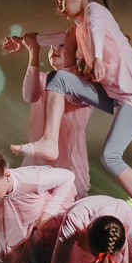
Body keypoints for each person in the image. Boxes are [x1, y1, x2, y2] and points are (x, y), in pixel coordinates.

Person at [10, 0, 132, 214]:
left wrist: (98, 58)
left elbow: (97, 29)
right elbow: (54, 37)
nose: (60, 7)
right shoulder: (78, 28)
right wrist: (23, 42)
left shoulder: (95, 11)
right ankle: (49, 141)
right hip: (114, 97)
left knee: (111, 157)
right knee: (59, 79)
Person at [7, 32, 92, 198]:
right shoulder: (42, 78)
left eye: (61, 45)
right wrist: (33, 51)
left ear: (78, 52)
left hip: (71, 163)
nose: (54, 49)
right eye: (51, 47)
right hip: (37, 162)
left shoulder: (85, 84)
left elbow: (71, 95)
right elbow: (30, 95)